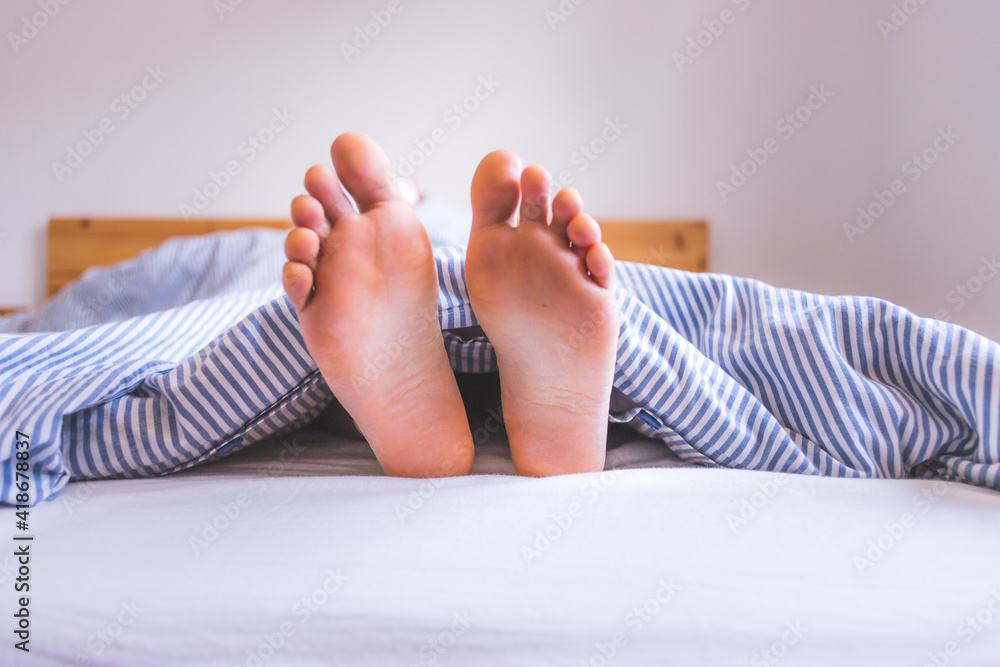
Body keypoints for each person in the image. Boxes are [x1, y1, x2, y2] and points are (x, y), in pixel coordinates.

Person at [282, 133, 618, 479]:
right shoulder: (380, 238)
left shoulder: (368, 236)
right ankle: (561, 420)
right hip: (503, 301)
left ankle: (409, 411)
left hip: (429, 304)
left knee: (310, 355)